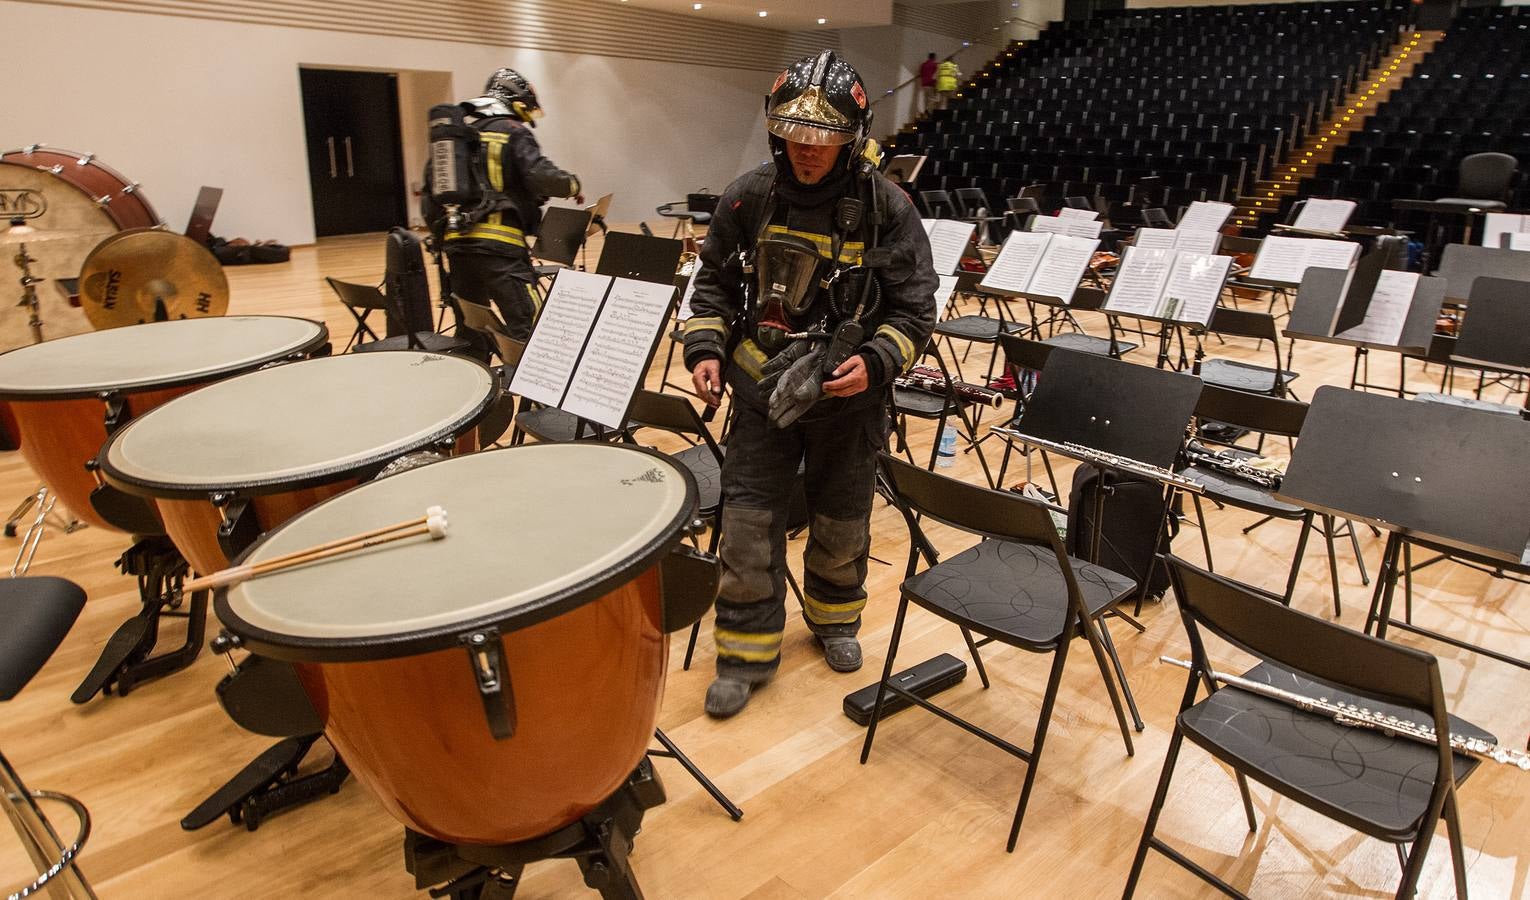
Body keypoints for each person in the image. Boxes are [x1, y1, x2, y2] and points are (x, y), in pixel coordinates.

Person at [684, 50, 938, 718]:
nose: (808, 151)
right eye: (797, 136)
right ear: (776, 131)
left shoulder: (888, 207)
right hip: (760, 390)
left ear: (851, 138)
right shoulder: (747, 196)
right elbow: (711, 283)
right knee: (745, 519)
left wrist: (878, 361)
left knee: (842, 516)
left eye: (824, 139)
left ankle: (835, 620)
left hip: (847, 399)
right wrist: (706, 347)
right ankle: (744, 650)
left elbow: (916, 311)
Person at [427, 68, 582, 342]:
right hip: (501, 250)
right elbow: (542, 176)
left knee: (472, 329)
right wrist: (572, 185)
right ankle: (525, 384)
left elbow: (431, 197)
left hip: (457, 248)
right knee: (530, 328)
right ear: (515, 100)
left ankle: (481, 380)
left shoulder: (460, 138)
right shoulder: (511, 131)